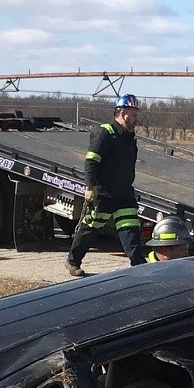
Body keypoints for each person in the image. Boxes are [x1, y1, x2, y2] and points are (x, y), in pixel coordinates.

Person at [66, 93, 146, 277]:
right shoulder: (105, 132)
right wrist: (90, 187)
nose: (135, 119)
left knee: (130, 230)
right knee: (90, 228)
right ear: (123, 113)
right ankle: (73, 262)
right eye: (133, 115)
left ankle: (138, 264)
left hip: (124, 194)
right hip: (104, 193)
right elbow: (91, 161)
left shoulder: (128, 137)